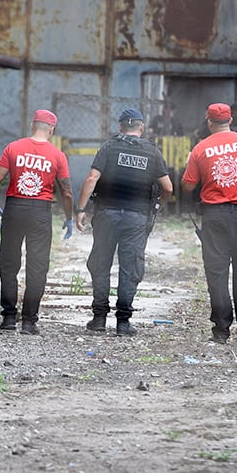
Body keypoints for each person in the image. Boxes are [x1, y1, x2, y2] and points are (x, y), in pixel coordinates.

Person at [180, 102, 237, 345]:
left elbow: (188, 185)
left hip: (214, 216)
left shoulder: (200, 149)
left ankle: (221, 330)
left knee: (216, 272)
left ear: (209, 122)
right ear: (230, 120)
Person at [75, 108, 173, 336]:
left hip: (106, 214)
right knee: (130, 268)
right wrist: (157, 206)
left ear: (120, 127)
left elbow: (92, 178)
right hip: (137, 218)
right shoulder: (152, 152)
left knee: (101, 263)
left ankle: (99, 318)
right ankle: (123, 322)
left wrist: (81, 209)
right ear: (142, 127)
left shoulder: (109, 147)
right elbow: (168, 187)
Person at [0, 109, 74, 335]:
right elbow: (66, 192)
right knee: (37, 268)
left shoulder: (13, 148)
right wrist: (68, 217)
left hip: (14, 209)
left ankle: (7, 318)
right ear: (52, 130)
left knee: (9, 264)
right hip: (40, 213)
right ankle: (29, 322)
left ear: (32, 125)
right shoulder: (57, 155)